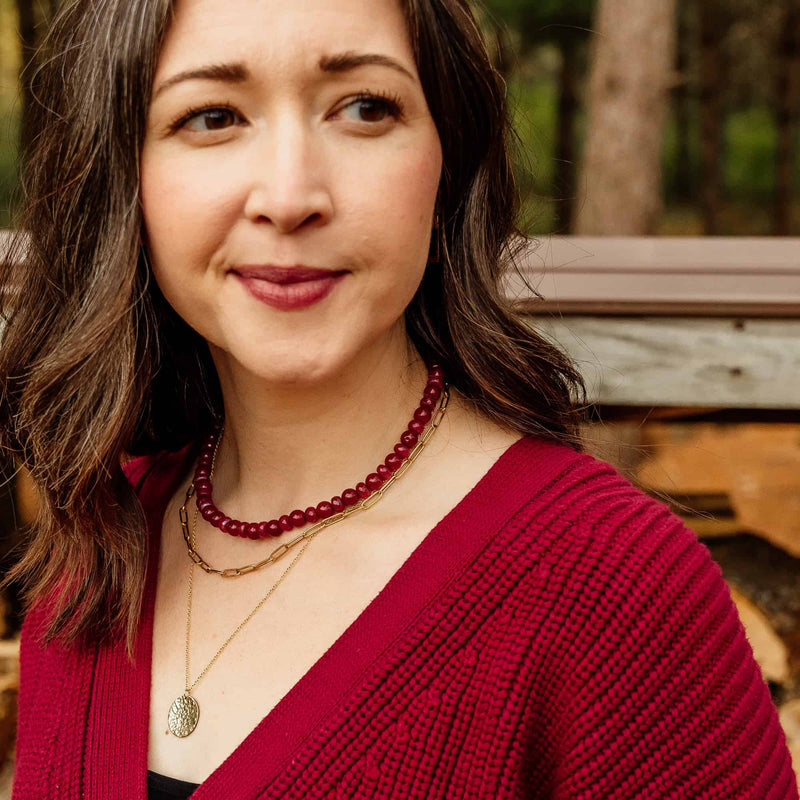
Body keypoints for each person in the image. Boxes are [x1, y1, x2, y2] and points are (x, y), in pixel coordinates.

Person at [0, 0, 796, 797]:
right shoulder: (93, 556)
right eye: (212, 115)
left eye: (364, 108)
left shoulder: (614, 588)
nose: (290, 194)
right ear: (123, 178)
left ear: (448, 159)